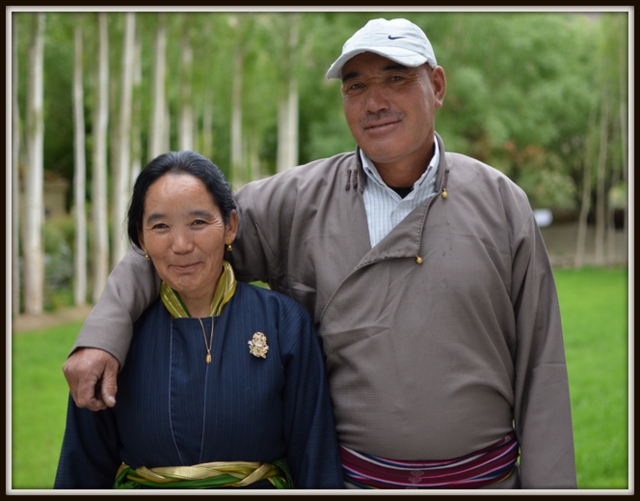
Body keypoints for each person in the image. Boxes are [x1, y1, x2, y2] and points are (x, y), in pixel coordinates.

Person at [62, 18, 577, 489]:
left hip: (486, 483)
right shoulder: (297, 201)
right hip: (350, 482)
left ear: (436, 86)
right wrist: (103, 335)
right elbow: (183, 240)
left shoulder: (500, 202)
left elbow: (541, 366)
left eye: (396, 78)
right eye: (356, 86)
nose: (375, 101)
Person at [54, 151, 344, 490]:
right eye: (160, 226)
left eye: (199, 223)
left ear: (230, 227)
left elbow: (314, 456)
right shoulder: (114, 340)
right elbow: (82, 467)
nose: (181, 245)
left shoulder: (283, 322)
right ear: (141, 237)